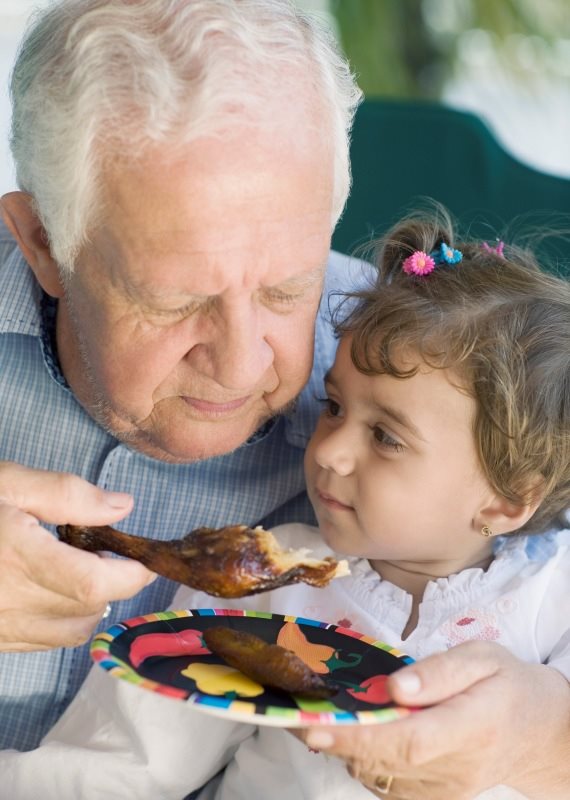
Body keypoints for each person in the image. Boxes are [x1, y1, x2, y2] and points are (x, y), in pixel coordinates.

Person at [0, 2, 568, 797]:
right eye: (171, 301)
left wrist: (551, 739)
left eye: (285, 288)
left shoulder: (405, 349)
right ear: (42, 245)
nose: (241, 365)